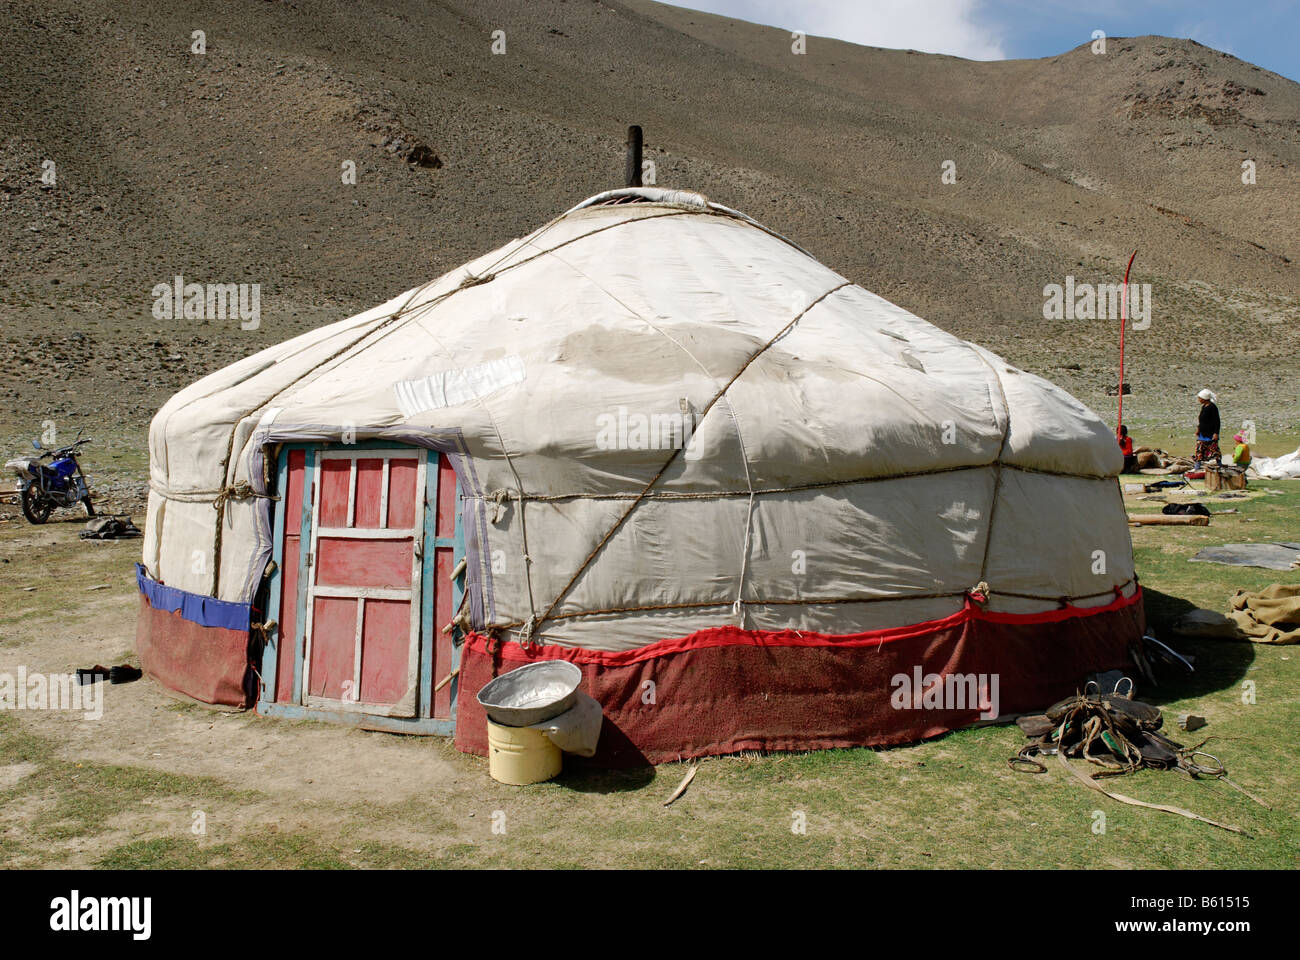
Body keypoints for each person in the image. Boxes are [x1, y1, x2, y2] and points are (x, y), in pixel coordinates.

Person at [1194, 388, 1220, 467]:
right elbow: (1202, 420)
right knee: (1199, 449)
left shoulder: (1212, 408)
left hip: (1210, 433)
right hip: (1202, 433)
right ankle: (1197, 466)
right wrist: (1198, 429)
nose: (1199, 400)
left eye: (1200, 398)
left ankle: (1219, 464)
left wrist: (1216, 433)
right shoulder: (1204, 407)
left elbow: (1217, 421)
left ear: (1204, 399)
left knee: (1214, 450)